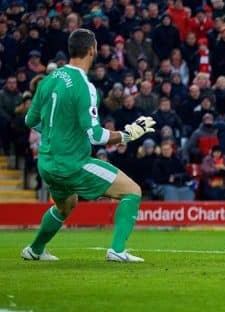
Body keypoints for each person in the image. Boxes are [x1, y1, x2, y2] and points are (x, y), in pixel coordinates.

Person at [22, 29, 155, 263]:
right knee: (132, 191)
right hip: (72, 164)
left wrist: (56, 133)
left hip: (46, 163)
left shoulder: (48, 79)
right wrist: (128, 134)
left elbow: (30, 121)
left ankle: (35, 249)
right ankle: (116, 250)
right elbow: (95, 136)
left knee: (66, 206)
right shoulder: (85, 86)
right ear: (92, 50)